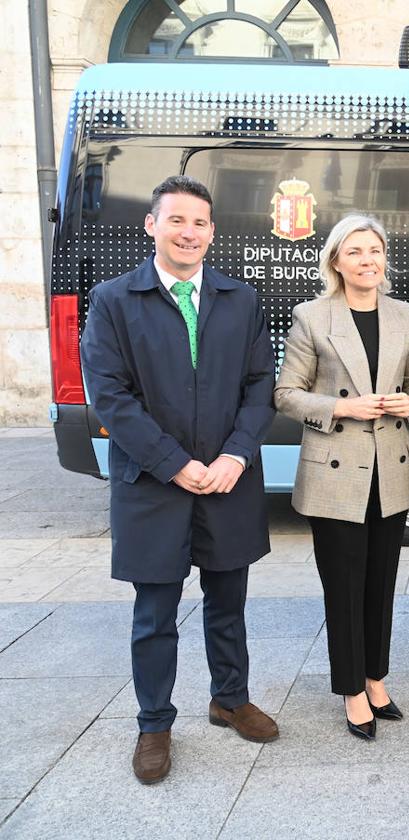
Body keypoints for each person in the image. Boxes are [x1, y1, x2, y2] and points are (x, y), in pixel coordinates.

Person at [80, 175, 278, 784]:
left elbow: (259, 385)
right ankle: (154, 724)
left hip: (227, 480)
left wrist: (236, 456)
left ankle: (229, 698)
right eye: (176, 221)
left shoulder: (239, 298)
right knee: (154, 613)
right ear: (152, 226)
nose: (188, 232)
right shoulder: (115, 300)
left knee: (228, 603)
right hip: (152, 483)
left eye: (199, 223)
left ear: (212, 233)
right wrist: (174, 462)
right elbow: (110, 396)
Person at [274, 214, 409, 742]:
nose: (368, 260)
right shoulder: (312, 316)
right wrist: (344, 408)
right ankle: (351, 690)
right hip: (334, 474)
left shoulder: (404, 315)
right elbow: (287, 394)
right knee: (343, 587)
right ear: (336, 261)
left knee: (381, 585)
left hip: (391, 469)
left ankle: (376, 677)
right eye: (356, 252)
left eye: (375, 250)